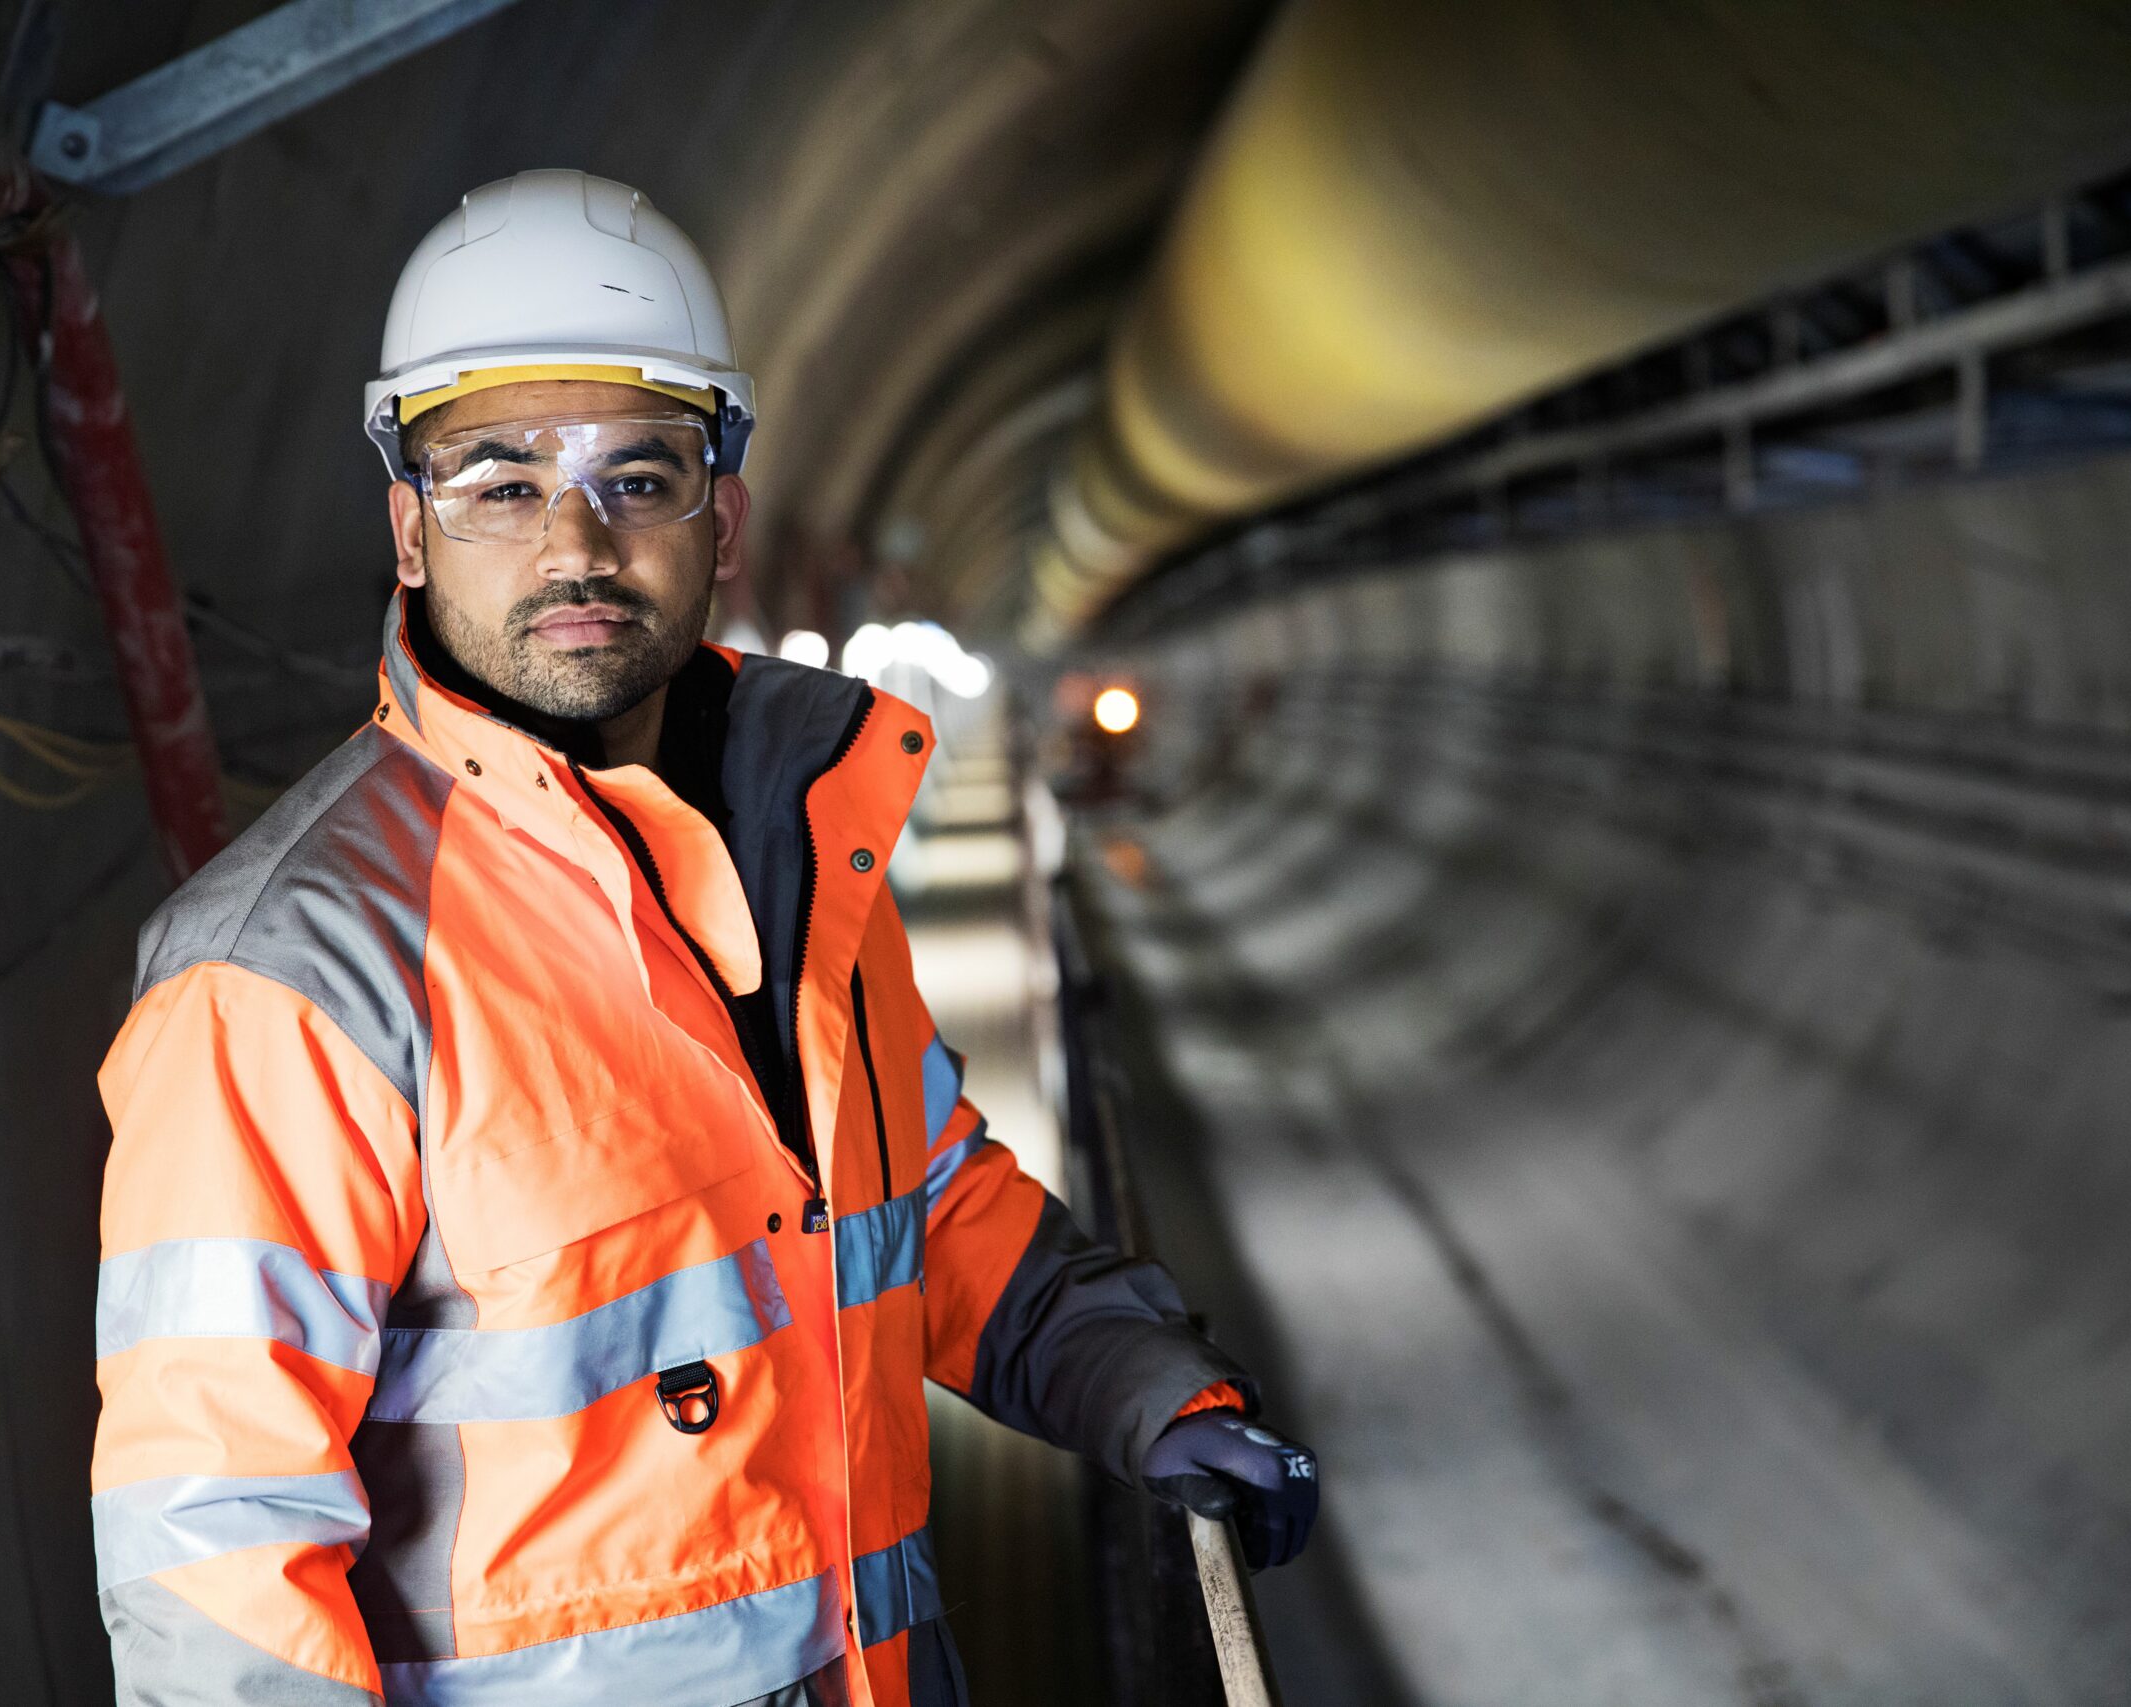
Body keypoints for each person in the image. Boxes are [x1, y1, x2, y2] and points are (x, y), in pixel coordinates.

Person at [87, 168, 1317, 1707]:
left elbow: (916, 1211)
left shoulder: (804, 852)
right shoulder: (291, 974)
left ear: (722, 519)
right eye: (499, 480)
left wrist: (1138, 1380)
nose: (574, 544)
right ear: (409, 530)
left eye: (640, 476)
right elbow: (217, 1559)